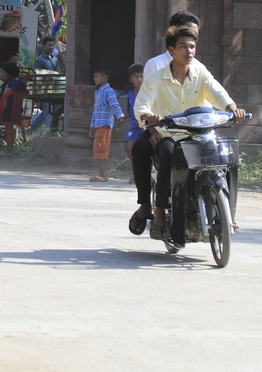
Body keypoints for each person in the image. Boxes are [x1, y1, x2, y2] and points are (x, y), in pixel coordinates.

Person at [131, 25, 246, 240]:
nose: (189, 51)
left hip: (198, 135)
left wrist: (232, 108)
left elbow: (217, 91)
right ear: (171, 50)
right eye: (183, 47)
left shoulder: (200, 73)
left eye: (192, 47)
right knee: (156, 151)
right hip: (168, 134)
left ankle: (228, 213)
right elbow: (142, 106)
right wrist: (151, 119)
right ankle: (155, 210)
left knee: (227, 155)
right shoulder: (156, 78)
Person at [89, 64, 123, 182]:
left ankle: (104, 174)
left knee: (101, 147)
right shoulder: (97, 93)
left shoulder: (109, 91)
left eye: (96, 76)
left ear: (104, 77)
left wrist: (120, 116)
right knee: (97, 147)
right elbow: (95, 111)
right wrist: (92, 126)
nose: (95, 78)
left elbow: (115, 105)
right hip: (98, 125)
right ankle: (101, 173)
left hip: (105, 125)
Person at [142, 11, 202, 78]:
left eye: (195, 35)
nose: (192, 38)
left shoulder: (199, 67)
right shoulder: (155, 65)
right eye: (187, 33)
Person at [123, 63, 144, 184]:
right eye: (136, 76)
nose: (139, 79)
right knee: (128, 147)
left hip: (144, 125)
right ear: (131, 79)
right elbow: (128, 110)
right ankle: (137, 171)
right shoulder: (130, 93)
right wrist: (122, 120)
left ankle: (141, 172)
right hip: (134, 125)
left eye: (141, 76)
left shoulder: (147, 92)